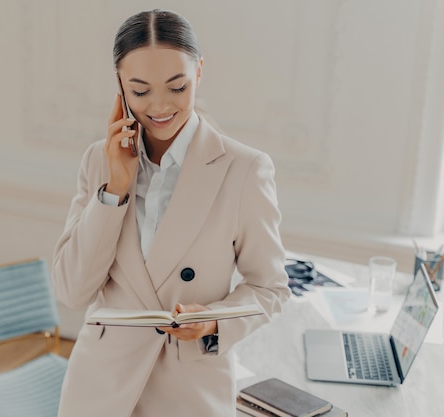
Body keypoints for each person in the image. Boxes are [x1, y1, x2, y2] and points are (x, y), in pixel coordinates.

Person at [51, 9, 290, 417]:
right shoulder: (99, 161)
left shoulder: (244, 169)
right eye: (140, 91)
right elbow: (72, 291)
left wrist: (214, 320)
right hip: (99, 390)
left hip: (189, 392)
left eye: (177, 87)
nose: (159, 107)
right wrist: (115, 189)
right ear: (120, 86)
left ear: (198, 72)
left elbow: (270, 289)